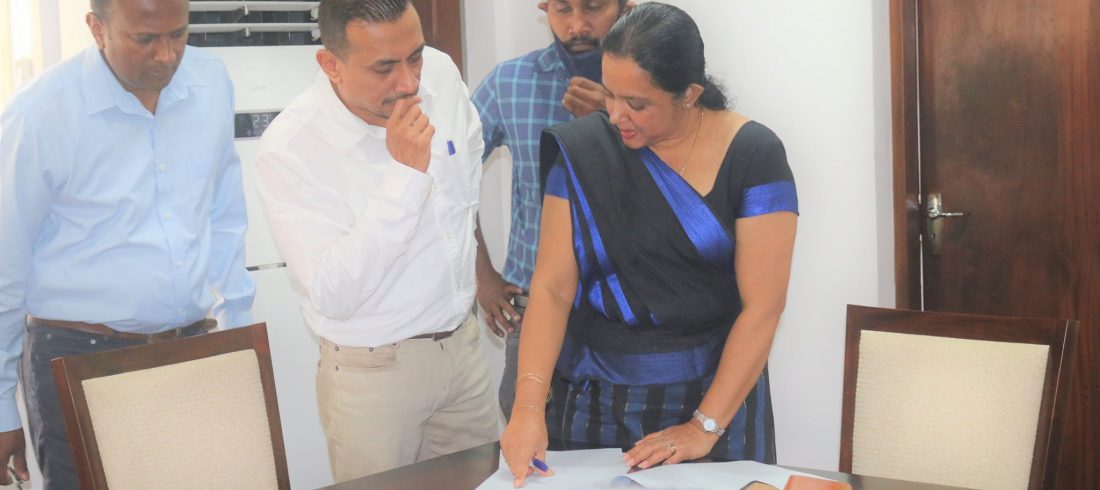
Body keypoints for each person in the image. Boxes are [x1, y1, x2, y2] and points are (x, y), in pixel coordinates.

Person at [500, 3, 799, 486]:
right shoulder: (585, 152)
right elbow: (552, 288)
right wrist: (528, 408)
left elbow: (763, 306)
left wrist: (702, 428)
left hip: (714, 402)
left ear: (689, 94)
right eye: (610, 94)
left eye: (637, 104)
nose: (616, 115)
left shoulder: (753, 155)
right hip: (593, 404)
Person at [0, 0, 256, 487]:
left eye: (178, 34)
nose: (166, 55)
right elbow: (4, 268)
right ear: (97, 29)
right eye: (144, 39)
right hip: (77, 356)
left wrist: (238, 334)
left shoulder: (210, 81)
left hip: (191, 348)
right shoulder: (40, 114)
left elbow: (224, 213)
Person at [253, 0, 496, 482]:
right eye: (384, 67)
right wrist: (405, 177)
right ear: (331, 65)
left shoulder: (440, 74)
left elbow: (468, 160)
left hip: (463, 351)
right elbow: (333, 294)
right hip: (374, 374)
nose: (408, 82)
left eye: (414, 56)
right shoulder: (291, 147)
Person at [472, 0, 632, 420]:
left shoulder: (653, 85)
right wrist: (482, 276)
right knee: (529, 442)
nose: (577, 25)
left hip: (631, 314)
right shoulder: (509, 82)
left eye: (594, 7)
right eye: (563, 9)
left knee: (631, 448)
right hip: (533, 310)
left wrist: (612, 119)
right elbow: (447, 177)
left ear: (626, 6)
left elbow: (684, 183)